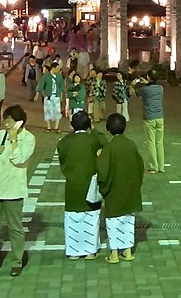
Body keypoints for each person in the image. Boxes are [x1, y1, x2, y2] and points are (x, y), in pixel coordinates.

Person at [0, 104, 36, 278]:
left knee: (15, 228)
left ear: (19, 122)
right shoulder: (2, 134)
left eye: (9, 121)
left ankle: (17, 261)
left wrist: (14, 140)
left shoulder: (28, 138)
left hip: (13, 190)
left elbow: (19, 159)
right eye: (5, 121)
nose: (6, 124)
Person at [57, 110, 106, 259]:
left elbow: (62, 159)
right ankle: (90, 250)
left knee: (72, 217)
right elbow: (104, 142)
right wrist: (94, 129)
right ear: (88, 124)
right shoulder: (92, 140)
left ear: (72, 125)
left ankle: (73, 251)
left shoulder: (64, 141)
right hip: (90, 184)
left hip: (72, 184)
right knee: (90, 217)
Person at [98, 113, 144, 264]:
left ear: (108, 128)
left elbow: (103, 172)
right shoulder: (131, 144)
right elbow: (140, 166)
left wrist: (102, 188)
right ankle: (127, 250)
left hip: (115, 191)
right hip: (130, 190)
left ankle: (114, 254)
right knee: (128, 221)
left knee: (113, 222)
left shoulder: (109, 147)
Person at [138, 69, 165, 174]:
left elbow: (134, 92)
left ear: (148, 77)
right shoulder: (160, 88)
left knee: (151, 142)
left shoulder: (145, 89)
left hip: (149, 117)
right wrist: (148, 82)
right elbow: (152, 86)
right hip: (160, 117)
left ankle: (153, 166)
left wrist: (134, 83)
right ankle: (161, 166)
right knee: (159, 142)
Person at [40, 61, 64, 133]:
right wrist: (43, 93)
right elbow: (41, 86)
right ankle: (49, 127)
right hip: (48, 96)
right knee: (47, 111)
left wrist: (61, 96)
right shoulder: (46, 76)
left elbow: (61, 87)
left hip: (56, 96)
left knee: (57, 111)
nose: (58, 70)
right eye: (57, 68)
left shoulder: (59, 76)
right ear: (53, 68)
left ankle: (56, 127)